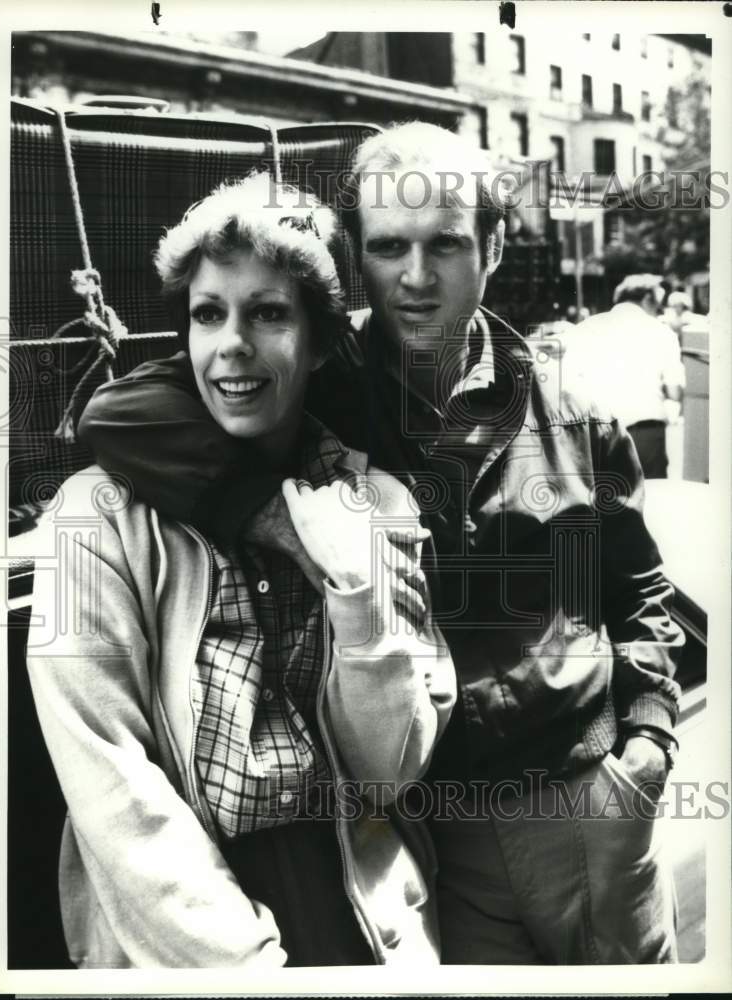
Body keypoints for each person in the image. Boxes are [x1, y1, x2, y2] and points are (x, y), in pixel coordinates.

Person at [78, 123, 684, 964]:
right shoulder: (316, 385)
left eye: (446, 244)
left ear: (495, 245)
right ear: (359, 256)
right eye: (389, 246)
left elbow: (643, 594)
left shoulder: (576, 415)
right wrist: (277, 518)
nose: (416, 276)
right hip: (439, 836)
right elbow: (116, 414)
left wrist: (647, 746)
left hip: (594, 804)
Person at [26, 173, 457, 969]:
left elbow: (392, 772)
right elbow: (110, 782)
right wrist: (241, 965)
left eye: (268, 314)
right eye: (207, 314)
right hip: (180, 925)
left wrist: (358, 596)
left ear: (322, 341)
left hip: (362, 906)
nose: (232, 344)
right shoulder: (94, 516)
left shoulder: (380, 501)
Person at [561, 274, 685, 479]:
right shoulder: (662, 332)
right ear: (647, 299)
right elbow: (674, 391)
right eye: (658, 305)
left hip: (597, 434)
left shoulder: (585, 329)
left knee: (604, 503)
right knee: (652, 501)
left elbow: (568, 385)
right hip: (646, 433)